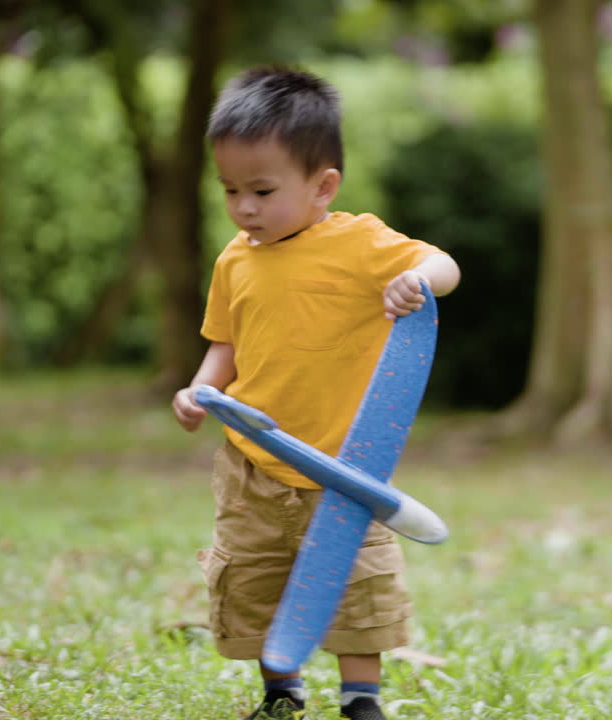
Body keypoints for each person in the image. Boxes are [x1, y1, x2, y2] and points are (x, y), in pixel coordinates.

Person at [172, 66, 460, 720]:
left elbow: (446, 265)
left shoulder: (359, 244)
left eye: (263, 190)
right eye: (230, 190)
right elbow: (226, 344)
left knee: (356, 585)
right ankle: (281, 694)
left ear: (322, 185)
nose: (244, 207)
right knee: (258, 579)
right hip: (254, 466)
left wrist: (415, 279)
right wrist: (198, 391)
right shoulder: (234, 260)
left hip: (345, 468)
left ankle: (362, 700)